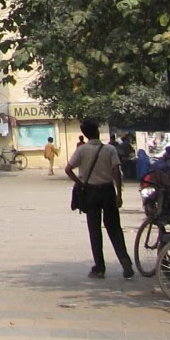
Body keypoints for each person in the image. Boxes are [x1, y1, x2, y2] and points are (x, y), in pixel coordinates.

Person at [65, 118, 134, 279]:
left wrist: (80, 183)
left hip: (90, 193)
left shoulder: (82, 150)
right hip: (107, 191)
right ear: (97, 132)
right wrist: (119, 194)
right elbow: (116, 172)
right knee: (114, 228)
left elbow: (68, 169)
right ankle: (125, 262)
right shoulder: (110, 149)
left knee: (94, 230)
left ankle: (99, 268)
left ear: (85, 134)